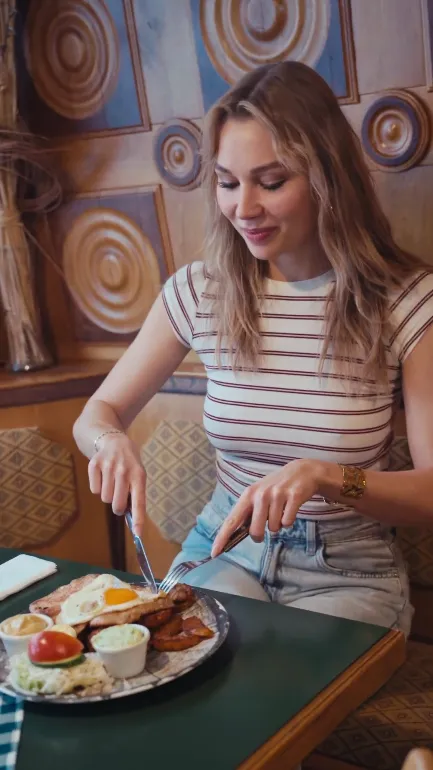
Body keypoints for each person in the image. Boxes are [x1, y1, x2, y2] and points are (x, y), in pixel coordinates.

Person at [73, 62, 433, 637]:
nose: (244, 208)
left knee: (289, 692)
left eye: (271, 182)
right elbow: (97, 414)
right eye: (227, 181)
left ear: (327, 178)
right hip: (226, 548)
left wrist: (325, 477)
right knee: (200, 674)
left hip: (345, 570)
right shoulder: (200, 291)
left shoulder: (406, 301)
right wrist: (110, 442)